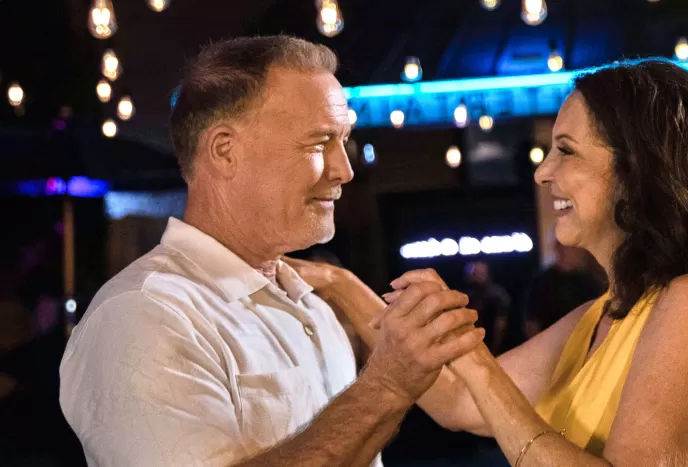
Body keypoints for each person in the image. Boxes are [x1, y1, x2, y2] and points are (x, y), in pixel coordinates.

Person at [313, 59, 688, 466]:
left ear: (641, 170)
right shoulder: (605, 314)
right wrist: (338, 283)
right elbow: (458, 401)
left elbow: (476, 384)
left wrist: (478, 364)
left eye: (567, 150)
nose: (542, 172)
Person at [58, 36, 483, 467]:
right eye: (318, 144)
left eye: (344, 141)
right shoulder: (141, 314)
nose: (344, 170)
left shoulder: (314, 309)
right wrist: (387, 387)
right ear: (225, 151)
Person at [521, 241, 605, 339]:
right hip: (551, 345)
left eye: (567, 247)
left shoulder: (589, 281)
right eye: (560, 246)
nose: (563, 250)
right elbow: (531, 324)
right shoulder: (542, 282)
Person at [464, 261, 515, 351]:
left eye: (480, 273)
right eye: (474, 273)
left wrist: (495, 348)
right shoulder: (465, 297)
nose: (476, 276)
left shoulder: (499, 296)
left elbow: (501, 326)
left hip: (495, 346)